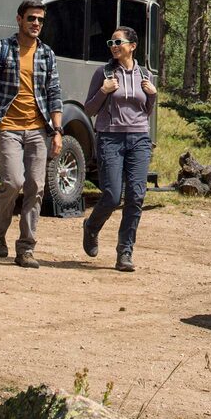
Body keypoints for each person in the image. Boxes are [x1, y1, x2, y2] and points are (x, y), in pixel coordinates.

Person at [0, 0, 63, 268]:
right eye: (31, 18)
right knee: (13, 182)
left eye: (40, 20)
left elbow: (54, 95)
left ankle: (26, 248)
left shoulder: (47, 54)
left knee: (36, 187)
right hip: (7, 126)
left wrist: (58, 131)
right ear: (19, 19)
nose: (36, 23)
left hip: (38, 128)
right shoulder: (0, 50)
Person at [82, 26, 157, 272]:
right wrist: (103, 92)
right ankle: (91, 227)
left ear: (132, 46)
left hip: (139, 139)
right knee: (113, 196)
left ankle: (125, 252)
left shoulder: (145, 75)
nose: (114, 46)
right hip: (110, 139)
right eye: (111, 43)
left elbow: (145, 111)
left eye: (118, 42)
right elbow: (89, 110)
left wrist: (153, 96)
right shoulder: (103, 72)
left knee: (136, 196)